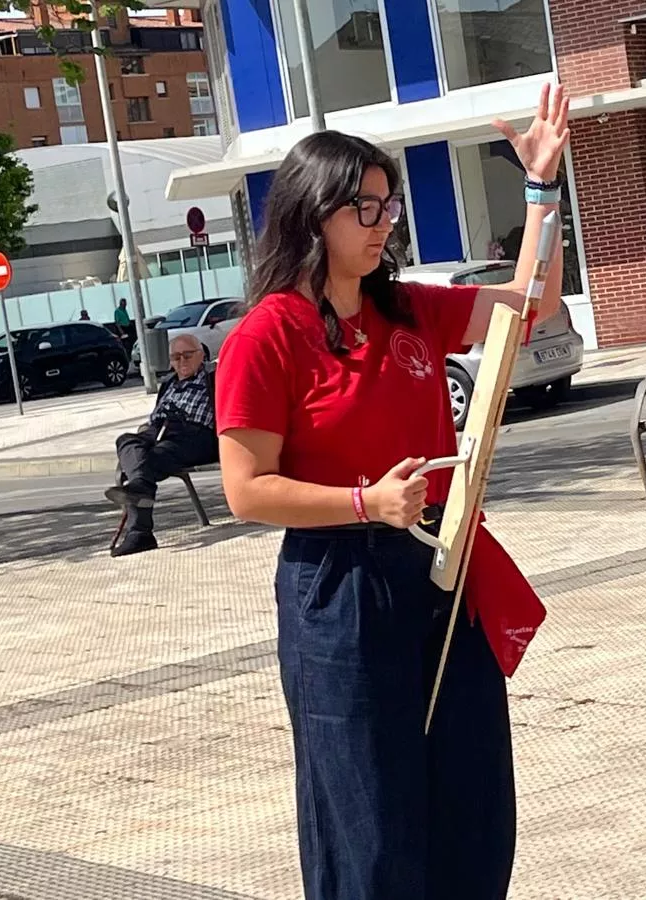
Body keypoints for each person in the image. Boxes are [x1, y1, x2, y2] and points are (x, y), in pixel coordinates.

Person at [215, 83, 569, 899]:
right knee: (370, 815)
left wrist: (541, 189)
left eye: (389, 207)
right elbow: (247, 490)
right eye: (365, 209)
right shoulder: (268, 336)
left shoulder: (406, 310)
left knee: (470, 801)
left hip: (439, 568)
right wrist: (363, 503)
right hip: (342, 586)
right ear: (313, 214)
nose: (384, 225)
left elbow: (530, 305)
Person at [105, 333, 218, 557]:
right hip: (159, 430)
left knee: (149, 461)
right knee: (126, 441)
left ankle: (140, 534)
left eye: (188, 355)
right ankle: (140, 490)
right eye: (176, 357)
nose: (181, 361)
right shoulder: (168, 383)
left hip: (195, 433)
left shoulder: (213, 376)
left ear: (201, 355)